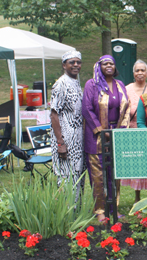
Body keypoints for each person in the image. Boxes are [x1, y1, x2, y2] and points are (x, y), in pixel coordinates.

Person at [82, 55, 130, 221]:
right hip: (96, 136)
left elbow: (126, 107)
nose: (109, 66)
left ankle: (113, 207)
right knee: (98, 174)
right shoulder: (92, 85)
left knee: (113, 173)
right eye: (105, 63)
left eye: (111, 63)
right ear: (99, 66)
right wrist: (101, 130)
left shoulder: (119, 85)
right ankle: (100, 210)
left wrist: (121, 129)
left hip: (115, 134)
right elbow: (87, 109)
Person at [50, 50, 86, 201]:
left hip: (78, 141)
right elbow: (54, 113)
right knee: (66, 179)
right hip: (65, 140)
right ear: (64, 65)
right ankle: (67, 215)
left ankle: (77, 215)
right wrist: (60, 143)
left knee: (78, 177)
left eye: (78, 62)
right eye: (72, 62)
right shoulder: (60, 84)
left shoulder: (76, 83)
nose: (76, 65)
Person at [120, 59, 147, 202]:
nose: (140, 73)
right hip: (132, 133)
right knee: (138, 167)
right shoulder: (126, 89)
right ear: (133, 73)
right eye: (137, 70)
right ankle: (137, 198)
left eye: (142, 70)